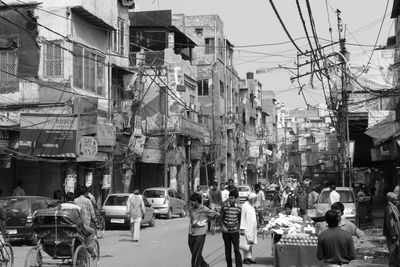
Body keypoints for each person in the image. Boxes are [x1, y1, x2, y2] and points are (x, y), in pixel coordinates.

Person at [188, 193, 219, 267]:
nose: (192, 203)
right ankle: (205, 265)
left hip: (200, 235)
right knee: (195, 253)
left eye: (194, 201)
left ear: (198, 201)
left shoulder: (204, 209)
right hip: (191, 234)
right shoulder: (191, 209)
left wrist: (207, 221)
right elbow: (191, 219)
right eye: (191, 201)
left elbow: (215, 214)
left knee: (195, 257)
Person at [74, 186, 98, 259]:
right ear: (85, 193)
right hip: (85, 225)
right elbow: (92, 214)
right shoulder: (88, 201)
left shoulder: (75, 200)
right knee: (92, 232)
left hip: (75, 225)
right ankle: (90, 249)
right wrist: (96, 222)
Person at [220, 191, 242, 267]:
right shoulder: (224, 207)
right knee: (228, 251)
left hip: (235, 232)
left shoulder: (238, 209)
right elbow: (221, 218)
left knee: (236, 250)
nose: (230, 199)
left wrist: (239, 229)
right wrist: (223, 227)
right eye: (230, 198)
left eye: (232, 198)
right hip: (226, 233)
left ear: (235, 199)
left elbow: (239, 220)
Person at [383, 192, 400, 267]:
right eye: (395, 200)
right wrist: (393, 234)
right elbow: (390, 223)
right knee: (393, 253)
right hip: (392, 235)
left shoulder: (394, 207)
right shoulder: (389, 209)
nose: (397, 201)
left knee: (396, 253)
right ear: (391, 200)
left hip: (396, 234)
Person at [240, 193, 257, 265]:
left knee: (250, 244)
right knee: (246, 244)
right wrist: (242, 228)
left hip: (252, 228)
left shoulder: (251, 205)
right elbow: (243, 217)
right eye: (254, 199)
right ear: (251, 199)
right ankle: (245, 258)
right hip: (247, 227)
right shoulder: (244, 206)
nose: (255, 200)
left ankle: (249, 257)